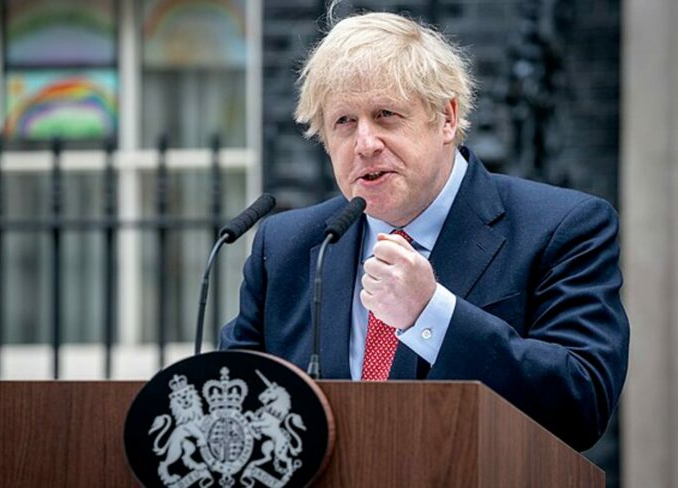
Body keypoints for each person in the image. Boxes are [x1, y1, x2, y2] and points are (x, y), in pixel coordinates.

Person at [220, 11, 628, 451]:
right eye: (343, 122)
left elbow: (581, 403)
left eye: (386, 115)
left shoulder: (563, 226)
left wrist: (431, 314)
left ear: (447, 118)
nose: (365, 143)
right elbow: (232, 405)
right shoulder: (287, 247)